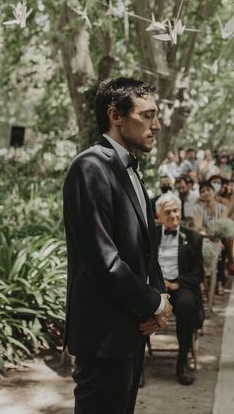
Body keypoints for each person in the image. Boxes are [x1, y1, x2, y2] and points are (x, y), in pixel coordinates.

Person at [63, 77, 173, 414]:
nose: (156, 126)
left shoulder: (131, 170)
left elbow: (143, 247)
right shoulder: (89, 168)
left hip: (130, 330)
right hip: (102, 336)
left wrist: (159, 298)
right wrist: (153, 301)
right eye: (147, 115)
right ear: (115, 115)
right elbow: (103, 260)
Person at [154, 193, 204, 386]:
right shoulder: (151, 235)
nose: (173, 215)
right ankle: (137, 365)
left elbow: (198, 272)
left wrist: (177, 283)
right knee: (136, 307)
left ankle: (182, 360)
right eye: (168, 212)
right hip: (156, 288)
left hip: (179, 286)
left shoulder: (193, 238)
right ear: (158, 216)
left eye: (176, 210)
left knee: (186, 305)